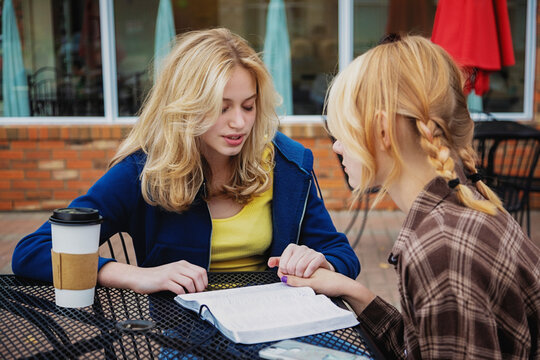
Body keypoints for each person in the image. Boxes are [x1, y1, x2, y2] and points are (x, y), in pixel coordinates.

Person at [12, 28, 360, 295]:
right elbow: (34, 252)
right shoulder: (142, 172)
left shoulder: (287, 164)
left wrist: (321, 260)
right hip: (187, 336)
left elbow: (342, 254)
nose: (239, 122)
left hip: (278, 328)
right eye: (222, 108)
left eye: (248, 106)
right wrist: (137, 276)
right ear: (187, 105)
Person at [279, 35, 540, 359]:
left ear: (383, 131)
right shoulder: (468, 202)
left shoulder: (440, 252)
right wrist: (348, 288)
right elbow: (420, 344)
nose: (336, 146)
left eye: (343, 132)